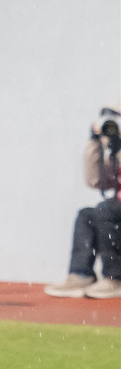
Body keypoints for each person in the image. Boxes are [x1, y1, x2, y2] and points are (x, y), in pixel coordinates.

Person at [45, 101, 121, 299]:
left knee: (106, 209)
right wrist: (94, 142)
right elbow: (95, 181)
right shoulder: (114, 152)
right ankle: (81, 274)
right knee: (87, 214)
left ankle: (116, 278)